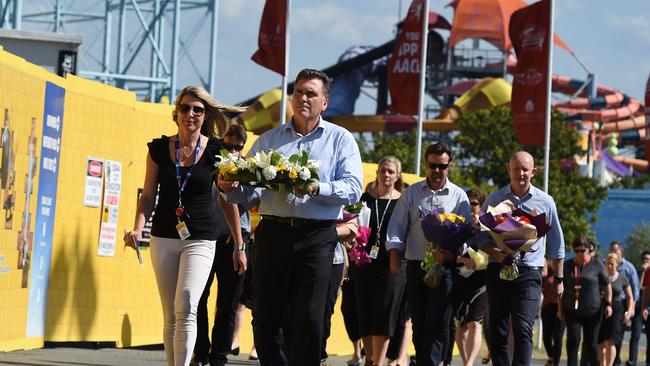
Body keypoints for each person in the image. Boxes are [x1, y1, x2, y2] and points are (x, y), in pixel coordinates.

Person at [218, 68, 363, 366]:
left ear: (325, 102)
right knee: (266, 318)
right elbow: (248, 195)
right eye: (298, 91)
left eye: (311, 93)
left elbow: (353, 189)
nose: (303, 98)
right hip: (273, 234)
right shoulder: (269, 141)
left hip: (317, 237)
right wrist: (228, 188)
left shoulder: (341, 140)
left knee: (309, 318)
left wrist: (316, 187)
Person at [124, 86, 246, 366]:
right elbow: (148, 195)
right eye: (185, 108)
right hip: (163, 235)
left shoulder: (218, 150)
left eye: (198, 110)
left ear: (205, 116)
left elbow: (228, 200)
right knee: (170, 312)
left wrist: (239, 245)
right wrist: (137, 227)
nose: (190, 114)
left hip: (202, 237)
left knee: (188, 304)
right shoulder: (157, 149)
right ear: (176, 112)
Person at [386, 142, 472, 366]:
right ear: (426, 164)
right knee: (420, 325)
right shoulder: (411, 193)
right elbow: (397, 227)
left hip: (446, 269)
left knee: (437, 322)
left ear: (449, 166)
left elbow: (467, 234)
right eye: (433, 166)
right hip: (416, 266)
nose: (437, 171)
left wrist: (453, 254)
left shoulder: (459, 196)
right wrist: (394, 255)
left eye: (441, 167)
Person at [479, 151, 565, 366]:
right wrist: (497, 254)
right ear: (509, 170)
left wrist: (560, 279)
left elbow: (557, 243)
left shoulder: (545, 202)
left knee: (523, 326)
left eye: (525, 169)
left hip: (529, 271)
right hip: (498, 268)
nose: (520, 173)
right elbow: (480, 236)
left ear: (533, 172)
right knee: (498, 327)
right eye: (516, 168)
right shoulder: (494, 199)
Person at [191, 124, 260, 366]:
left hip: (235, 240)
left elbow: (254, 198)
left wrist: (237, 186)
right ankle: (200, 351)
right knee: (198, 297)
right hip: (206, 236)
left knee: (229, 303)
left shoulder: (248, 170)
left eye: (238, 148)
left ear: (243, 149)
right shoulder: (210, 165)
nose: (232, 151)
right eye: (228, 146)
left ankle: (219, 355)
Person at [352, 155, 406, 366]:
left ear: (397, 175)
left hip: (391, 264)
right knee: (364, 311)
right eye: (383, 170)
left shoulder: (403, 201)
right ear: (377, 172)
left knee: (384, 313)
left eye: (391, 171)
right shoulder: (364, 198)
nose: (386, 175)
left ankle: (378, 362)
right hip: (363, 263)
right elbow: (352, 223)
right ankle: (370, 358)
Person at [450, 188, 489, 366]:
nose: (471, 207)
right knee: (461, 324)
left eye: (474, 203)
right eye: (467, 204)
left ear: (481, 206)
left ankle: (469, 362)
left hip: (481, 281)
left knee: (475, 322)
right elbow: (448, 251)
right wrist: (462, 259)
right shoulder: (458, 226)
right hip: (460, 278)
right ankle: (466, 360)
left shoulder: (488, 227)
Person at [560, 237, 612, 366]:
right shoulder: (567, 265)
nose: (580, 253)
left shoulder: (597, 264)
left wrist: (608, 304)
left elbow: (607, 285)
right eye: (576, 250)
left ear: (589, 250)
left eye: (583, 250)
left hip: (593, 311)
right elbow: (561, 289)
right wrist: (559, 309)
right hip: (572, 309)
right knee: (573, 340)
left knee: (591, 344)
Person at [608, 241, 640, 366]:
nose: (613, 252)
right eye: (611, 250)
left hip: (623, 304)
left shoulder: (628, 268)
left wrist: (631, 309)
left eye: (615, 250)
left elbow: (635, 291)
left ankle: (616, 361)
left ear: (621, 250)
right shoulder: (607, 266)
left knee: (618, 335)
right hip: (609, 304)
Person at [599, 252, 634, 366]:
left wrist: (629, 312)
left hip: (617, 309)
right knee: (601, 342)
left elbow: (629, 297)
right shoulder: (601, 277)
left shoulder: (622, 279)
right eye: (607, 264)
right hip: (601, 308)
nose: (609, 266)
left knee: (611, 341)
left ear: (617, 265)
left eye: (612, 264)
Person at [541, 258, 565, 366]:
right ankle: (551, 356)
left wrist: (560, 310)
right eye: (552, 261)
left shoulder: (562, 274)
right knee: (546, 337)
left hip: (559, 308)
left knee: (558, 337)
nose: (553, 263)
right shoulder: (546, 274)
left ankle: (556, 362)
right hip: (547, 307)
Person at [631, 251, 650, 366]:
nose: (645, 261)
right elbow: (639, 289)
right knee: (635, 335)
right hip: (639, 307)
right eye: (643, 259)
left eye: (648, 259)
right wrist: (643, 273)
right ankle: (632, 360)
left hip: (647, 307)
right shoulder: (637, 272)